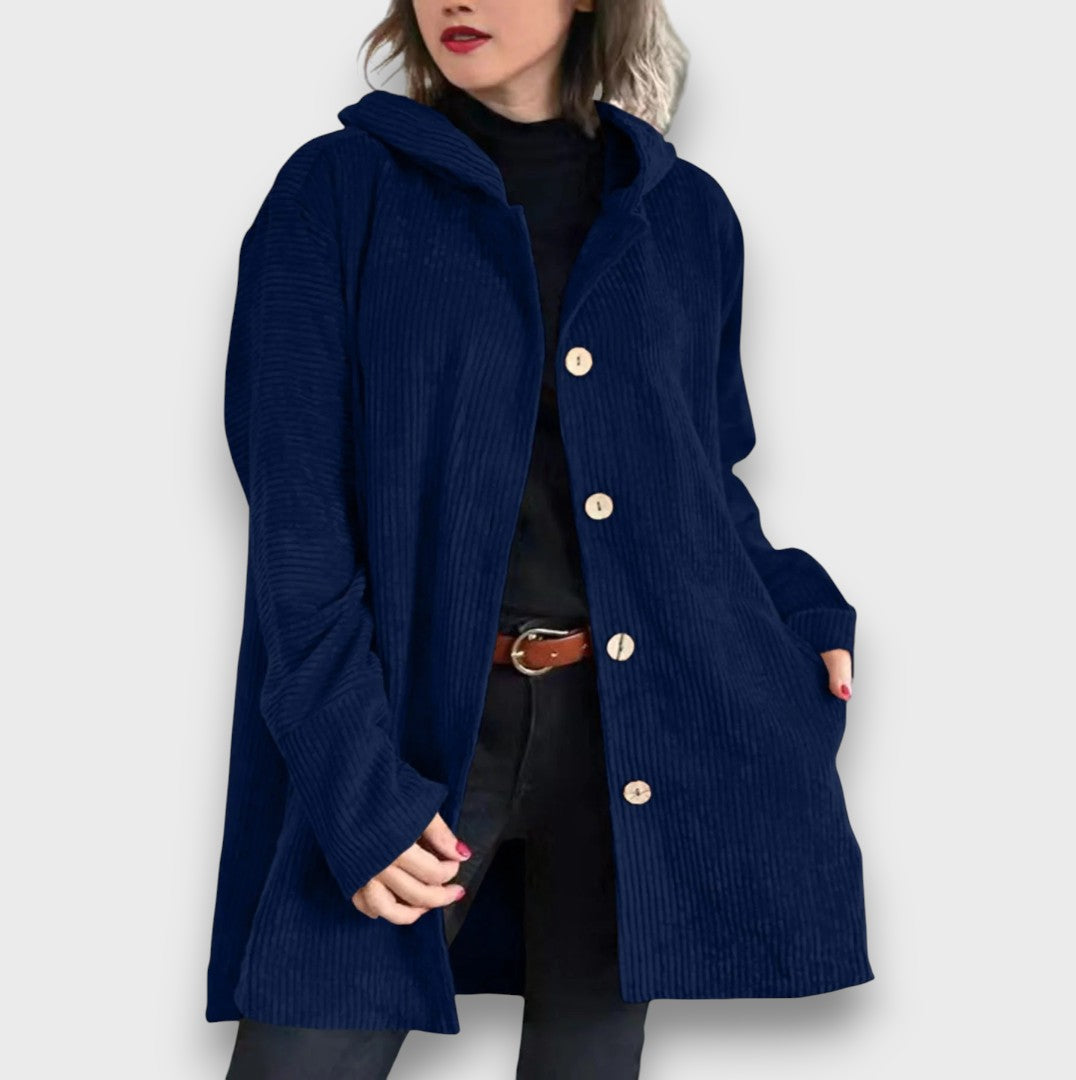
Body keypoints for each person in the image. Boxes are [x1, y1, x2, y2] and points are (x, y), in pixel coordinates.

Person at [207, 1, 873, 1077]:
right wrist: (353, 784)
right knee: (306, 1046)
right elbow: (297, 522)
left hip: (627, 733)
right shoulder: (336, 192)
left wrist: (796, 604)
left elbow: (703, 479)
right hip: (412, 729)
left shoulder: (685, 214)